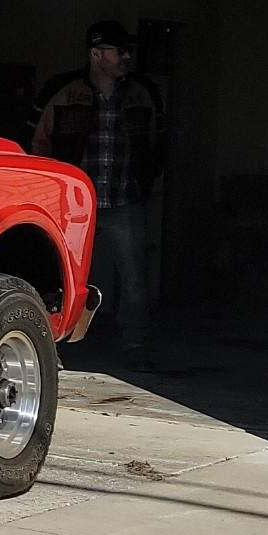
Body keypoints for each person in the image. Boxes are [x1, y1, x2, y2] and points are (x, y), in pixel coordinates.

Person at [32, 20, 166, 364]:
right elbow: (38, 143)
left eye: (127, 51)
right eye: (118, 51)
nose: (126, 57)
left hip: (124, 199)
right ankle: (52, 348)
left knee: (135, 278)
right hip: (74, 204)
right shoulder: (61, 90)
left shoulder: (143, 93)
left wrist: (145, 182)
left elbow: (159, 144)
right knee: (60, 274)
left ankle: (136, 347)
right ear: (96, 55)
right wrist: (49, 192)